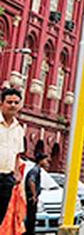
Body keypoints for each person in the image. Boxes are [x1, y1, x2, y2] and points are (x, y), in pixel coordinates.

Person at [0, 88, 23, 225]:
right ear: (1, 103)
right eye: (9, 102)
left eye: (16, 102)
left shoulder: (18, 129)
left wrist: (17, 173)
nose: (13, 105)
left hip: (7, 178)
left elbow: (17, 154)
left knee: (1, 215)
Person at [23, 152, 45, 235]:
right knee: (31, 218)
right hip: (31, 198)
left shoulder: (37, 170)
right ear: (40, 161)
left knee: (31, 217)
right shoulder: (35, 170)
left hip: (31, 197)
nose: (47, 162)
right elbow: (31, 181)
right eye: (45, 160)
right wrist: (34, 195)